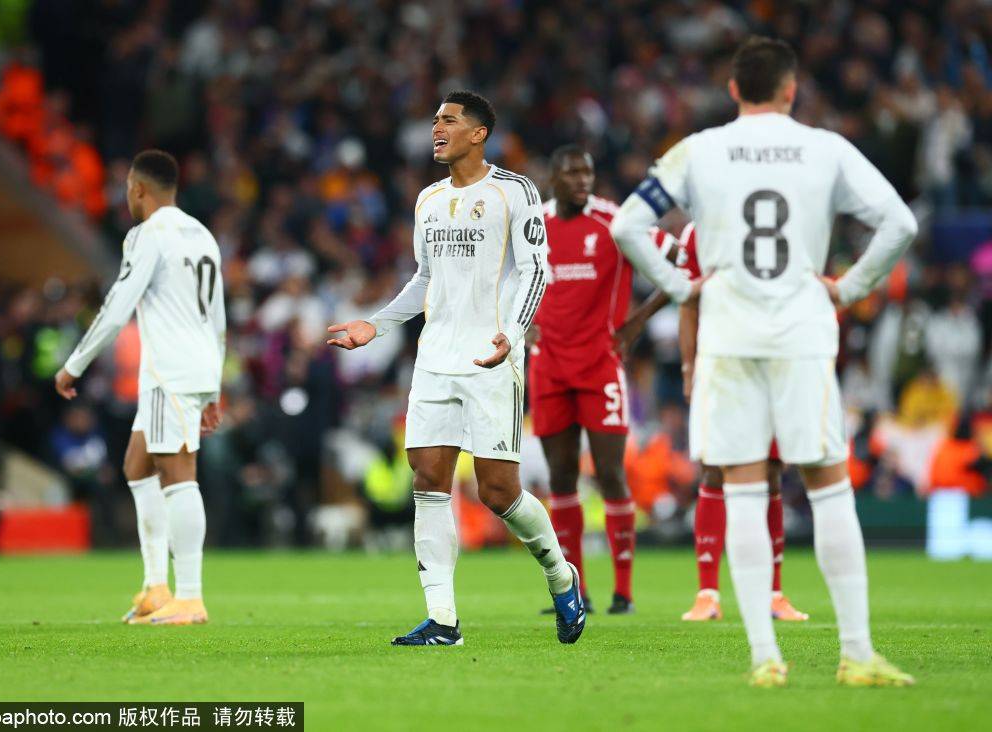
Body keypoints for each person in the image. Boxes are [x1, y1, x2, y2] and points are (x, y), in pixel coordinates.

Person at [610, 36, 917, 687]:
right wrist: (850, 288)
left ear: (732, 90)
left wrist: (684, 286)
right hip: (802, 329)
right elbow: (900, 224)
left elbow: (626, 226)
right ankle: (857, 655)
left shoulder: (700, 149)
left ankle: (764, 658)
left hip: (727, 332)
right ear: (790, 89)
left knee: (744, 489)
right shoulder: (824, 148)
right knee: (829, 487)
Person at [326, 91, 585, 646]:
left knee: (498, 492)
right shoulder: (428, 199)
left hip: (491, 355)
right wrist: (376, 325)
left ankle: (561, 574)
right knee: (428, 478)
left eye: (449, 120)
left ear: (479, 133)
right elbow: (424, 279)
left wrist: (513, 333)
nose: (436, 128)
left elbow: (537, 270)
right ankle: (443, 619)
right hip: (436, 359)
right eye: (434, 120)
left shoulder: (515, 191)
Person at [55, 149, 225, 626]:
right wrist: (213, 387)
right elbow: (217, 315)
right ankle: (155, 587)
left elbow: (116, 307)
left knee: (179, 473)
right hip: (184, 369)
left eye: (127, 189)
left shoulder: (147, 235)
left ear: (138, 189)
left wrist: (74, 365)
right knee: (138, 464)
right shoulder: (202, 234)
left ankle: (189, 597)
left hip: (171, 371)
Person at [530, 145, 670, 615]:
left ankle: (624, 592)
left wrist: (638, 321)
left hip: (599, 366)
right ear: (553, 178)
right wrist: (521, 323)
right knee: (561, 477)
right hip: (548, 366)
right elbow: (504, 277)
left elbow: (678, 258)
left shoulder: (616, 221)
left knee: (610, 473)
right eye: (572, 173)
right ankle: (577, 590)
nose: (582, 180)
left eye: (587, 172)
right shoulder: (533, 224)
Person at [658, 223, 808, 623]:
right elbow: (688, 303)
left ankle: (774, 594)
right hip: (718, 367)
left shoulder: (779, 221)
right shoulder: (698, 231)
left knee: (771, 472)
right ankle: (707, 594)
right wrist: (689, 367)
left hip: (771, 365)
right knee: (713, 469)